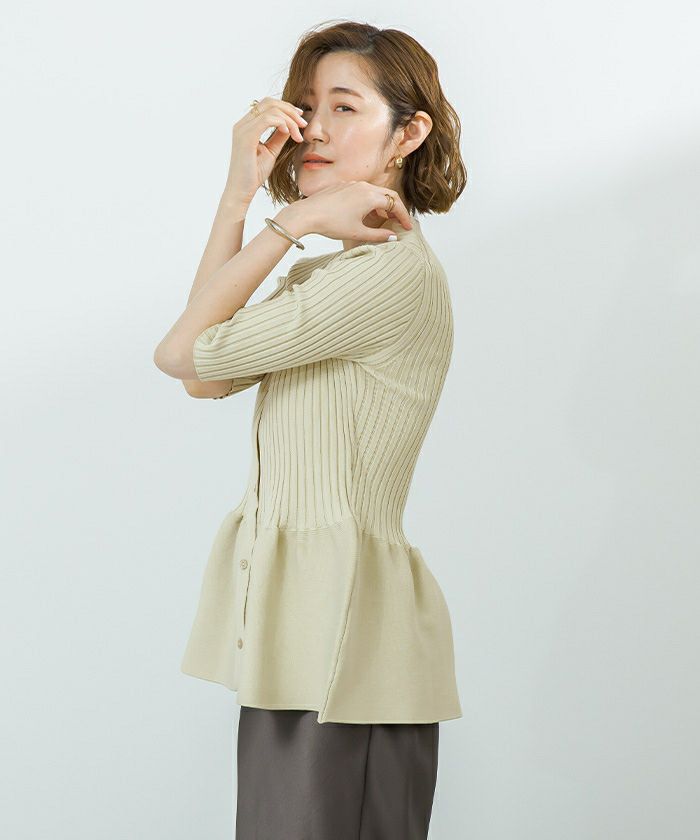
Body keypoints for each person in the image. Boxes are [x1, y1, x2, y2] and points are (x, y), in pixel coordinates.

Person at [154, 19, 467, 840]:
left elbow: (181, 351)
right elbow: (203, 375)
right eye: (306, 106)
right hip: (307, 634)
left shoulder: (385, 276)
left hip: (345, 644)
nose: (314, 129)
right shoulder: (339, 270)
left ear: (409, 133)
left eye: (344, 107)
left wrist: (290, 220)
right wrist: (241, 197)